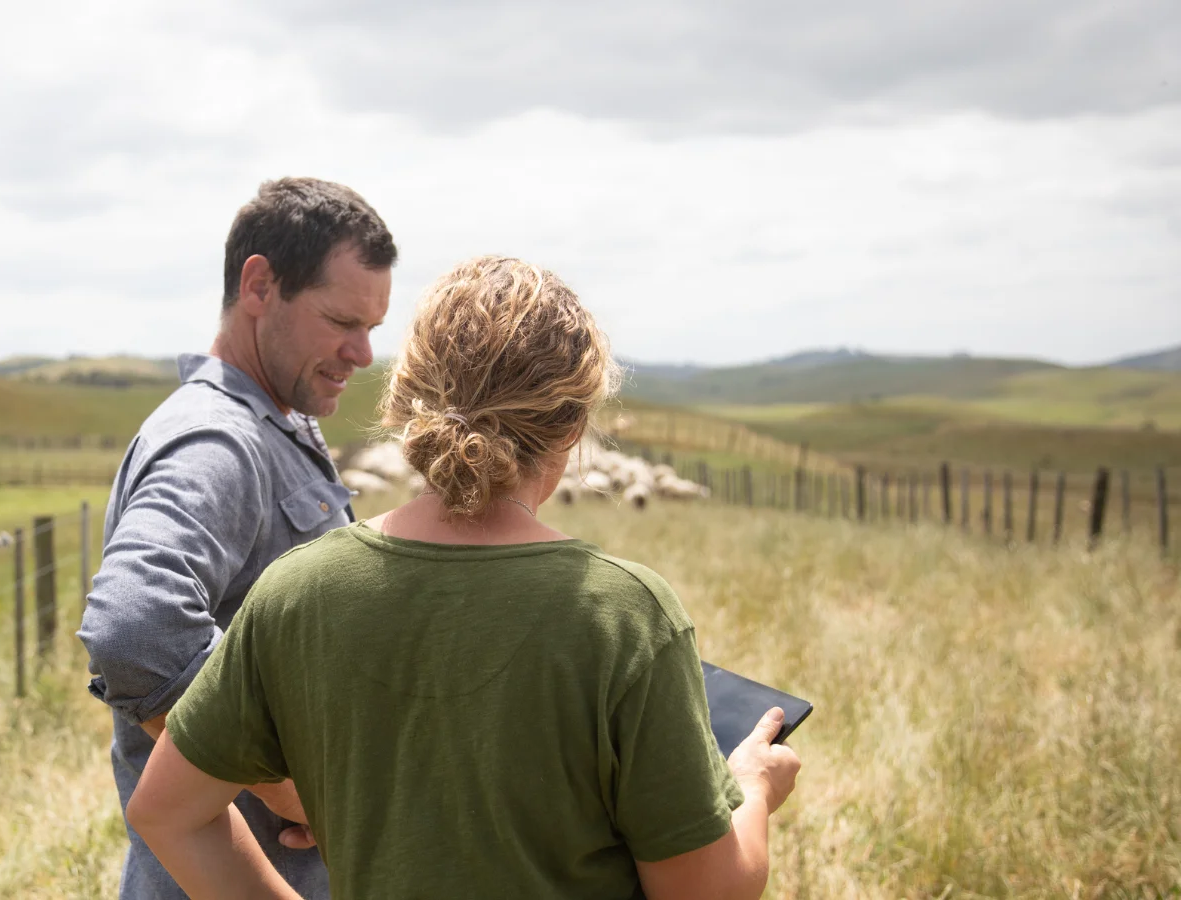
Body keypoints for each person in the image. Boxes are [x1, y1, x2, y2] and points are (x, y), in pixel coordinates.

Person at [125, 256, 803, 899]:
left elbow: (168, 814)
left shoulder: (297, 592)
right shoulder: (627, 614)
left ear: (408, 396)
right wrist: (753, 788)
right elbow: (706, 890)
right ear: (572, 424)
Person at [77, 177, 397, 899]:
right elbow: (133, 629)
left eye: (373, 326)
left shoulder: (274, 421)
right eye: (342, 320)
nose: (364, 352)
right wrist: (284, 782)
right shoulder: (214, 442)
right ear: (260, 285)